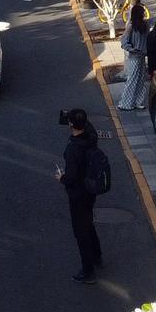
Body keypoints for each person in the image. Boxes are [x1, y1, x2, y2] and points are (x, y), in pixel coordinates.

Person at [55, 108, 104, 282]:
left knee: (80, 231)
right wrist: (76, 116)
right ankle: (97, 255)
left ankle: (88, 270)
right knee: (88, 222)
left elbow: (71, 177)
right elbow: (86, 124)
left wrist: (62, 178)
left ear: (71, 124)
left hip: (78, 194)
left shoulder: (73, 150)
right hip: (90, 190)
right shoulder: (91, 137)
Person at [119, 0, 152, 110]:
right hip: (134, 57)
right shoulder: (131, 26)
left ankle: (138, 101)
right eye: (142, 12)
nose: (144, 14)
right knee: (132, 79)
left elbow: (154, 19)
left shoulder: (145, 25)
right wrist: (132, 49)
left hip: (141, 56)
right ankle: (125, 103)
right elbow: (123, 41)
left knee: (141, 79)